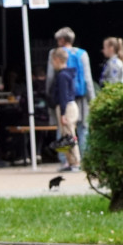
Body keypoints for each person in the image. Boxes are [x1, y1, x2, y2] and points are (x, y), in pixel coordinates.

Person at [46, 27, 94, 156]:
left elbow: (50, 77)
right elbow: (88, 79)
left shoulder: (55, 53)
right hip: (81, 97)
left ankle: (65, 160)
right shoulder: (82, 54)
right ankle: (85, 159)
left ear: (61, 40)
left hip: (64, 100)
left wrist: (49, 96)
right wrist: (93, 100)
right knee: (83, 128)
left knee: (63, 130)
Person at [51, 48, 81, 172]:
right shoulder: (69, 74)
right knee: (65, 135)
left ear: (57, 60)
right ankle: (69, 162)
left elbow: (63, 95)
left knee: (69, 135)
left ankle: (76, 162)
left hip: (66, 107)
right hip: (71, 105)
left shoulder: (62, 76)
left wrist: (63, 113)